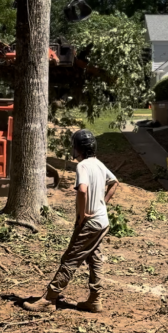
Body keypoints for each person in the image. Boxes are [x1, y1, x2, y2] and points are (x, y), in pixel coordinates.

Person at [23, 129, 118, 314]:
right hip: (102, 222)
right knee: (95, 257)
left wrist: (83, 215)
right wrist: (102, 204)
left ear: (78, 148)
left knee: (71, 259)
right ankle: (95, 300)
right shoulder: (98, 164)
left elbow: (82, 190)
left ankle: (49, 299)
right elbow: (114, 183)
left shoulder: (82, 166)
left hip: (90, 223)